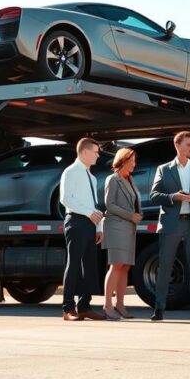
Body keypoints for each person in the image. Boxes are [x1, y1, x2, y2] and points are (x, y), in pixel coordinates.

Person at [148, 131, 190, 321]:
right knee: (165, 267)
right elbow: (154, 195)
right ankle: (159, 309)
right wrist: (173, 197)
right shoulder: (164, 169)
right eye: (188, 145)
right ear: (178, 146)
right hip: (172, 223)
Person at [59, 137, 106, 321]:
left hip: (89, 223)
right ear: (85, 152)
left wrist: (99, 226)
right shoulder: (70, 172)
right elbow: (66, 199)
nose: (98, 155)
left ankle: (85, 306)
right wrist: (88, 213)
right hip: (76, 222)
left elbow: (93, 204)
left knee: (89, 266)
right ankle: (68, 308)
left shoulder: (92, 177)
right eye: (95, 152)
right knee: (74, 265)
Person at [102, 148, 144, 320]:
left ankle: (120, 304)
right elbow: (109, 205)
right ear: (123, 160)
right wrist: (130, 215)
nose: (134, 164)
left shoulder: (130, 179)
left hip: (129, 228)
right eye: (132, 160)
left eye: (135, 160)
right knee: (116, 264)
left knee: (125, 266)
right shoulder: (113, 179)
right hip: (116, 226)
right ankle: (107, 305)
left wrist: (138, 214)